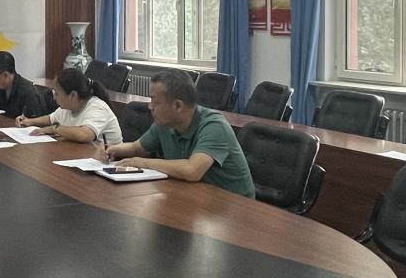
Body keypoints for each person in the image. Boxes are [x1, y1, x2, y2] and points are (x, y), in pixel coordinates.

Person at [105, 69, 254, 197]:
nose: (150, 107)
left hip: (235, 206)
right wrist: (109, 149)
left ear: (177, 106)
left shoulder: (214, 126)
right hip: (196, 195)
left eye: (155, 101)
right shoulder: (165, 123)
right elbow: (136, 148)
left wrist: (143, 163)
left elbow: (192, 170)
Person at [16, 68, 122, 145]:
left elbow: (84, 135)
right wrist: (29, 121)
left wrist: (54, 129)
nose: (54, 98)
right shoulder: (69, 106)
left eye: (57, 93)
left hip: (109, 163)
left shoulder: (97, 107)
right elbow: (51, 118)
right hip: (84, 157)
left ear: (73, 95)